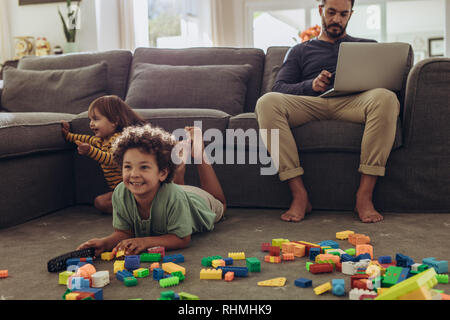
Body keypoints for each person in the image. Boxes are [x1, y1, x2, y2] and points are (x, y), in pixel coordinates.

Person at [255, 0, 400, 223]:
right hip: (311, 104)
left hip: (354, 103)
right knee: (267, 102)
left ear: (351, 14)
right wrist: (310, 85)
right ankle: (299, 194)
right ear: (321, 10)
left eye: (343, 14)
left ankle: (364, 195)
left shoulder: (368, 46)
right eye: (331, 13)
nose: (336, 20)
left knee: (386, 98)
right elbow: (278, 88)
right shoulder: (300, 50)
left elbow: (386, 84)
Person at [77, 125, 226, 256]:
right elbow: (124, 233)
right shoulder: (121, 193)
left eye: (144, 167)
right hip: (169, 190)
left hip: (197, 200)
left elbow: (182, 239)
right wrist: (105, 243)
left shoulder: (175, 197)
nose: (134, 174)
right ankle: (178, 167)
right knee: (172, 188)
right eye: (128, 166)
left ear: (162, 172)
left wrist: (145, 241)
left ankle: (198, 152)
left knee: (221, 203)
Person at [61, 95, 146, 214]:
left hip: (134, 188)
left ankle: (139, 210)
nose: (91, 124)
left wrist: (90, 151)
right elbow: (83, 138)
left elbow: (112, 159)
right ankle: (131, 212)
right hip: (119, 191)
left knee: (108, 201)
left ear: (114, 121)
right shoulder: (100, 140)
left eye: (96, 119)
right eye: (90, 119)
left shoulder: (120, 139)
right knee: (100, 202)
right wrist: (67, 134)